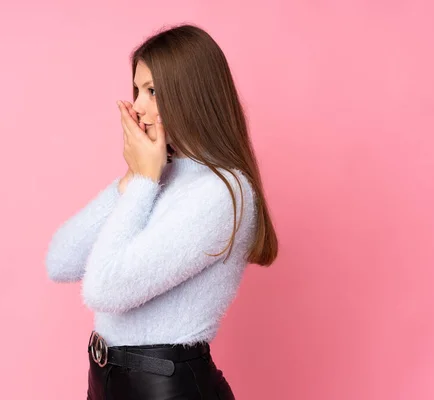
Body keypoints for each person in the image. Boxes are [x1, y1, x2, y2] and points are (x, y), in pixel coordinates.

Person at [45, 23, 278, 400]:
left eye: (152, 91)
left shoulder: (222, 191)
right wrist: (131, 180)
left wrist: (141, 181)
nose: (137, 106)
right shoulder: (157, 177)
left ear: (191, 96)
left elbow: (105, 290)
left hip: (164, 388)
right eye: (137, 90)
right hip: (106, 382)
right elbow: (59, 260)